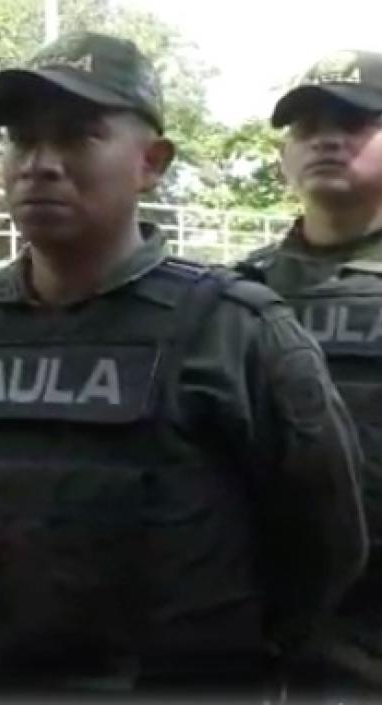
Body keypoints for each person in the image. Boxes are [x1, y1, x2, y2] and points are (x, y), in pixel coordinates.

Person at [0, 31, 368, 699]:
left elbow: (326, 549)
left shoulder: (237, 331)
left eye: (76, 136)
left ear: (151, 162)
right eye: (22, 140)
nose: (40, 162)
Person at [237, 50, 382, 698]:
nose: (327, 137)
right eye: (306, 126)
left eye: (355, 119)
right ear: (283, 160)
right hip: (258, 628)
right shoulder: (235, 293)